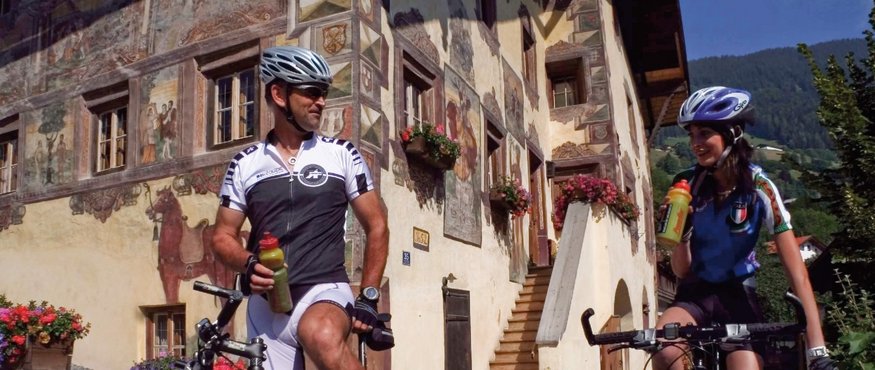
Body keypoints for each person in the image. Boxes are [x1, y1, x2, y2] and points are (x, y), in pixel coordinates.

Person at [212, 46, 389, 370]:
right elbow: (222, 235)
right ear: (279, 93)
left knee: (319, 334)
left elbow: (377, 225)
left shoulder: (342, 154)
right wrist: (248, 264)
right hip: (267, 308)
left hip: (326, 290)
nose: (321, 101)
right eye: (311, 92)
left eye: (323, 93)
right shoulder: (245, 163)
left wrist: (369, 296)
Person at [653, 86, 836, 370]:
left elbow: (797, 272)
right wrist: (683, 235)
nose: (695, 143)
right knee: (665, 349)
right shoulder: (686, 184)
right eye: (691, 135)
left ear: (732, 133)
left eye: (704, 133)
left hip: (739, 294)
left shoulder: (760, 188)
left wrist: (817, 350)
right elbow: (681, 271)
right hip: (695, 293)